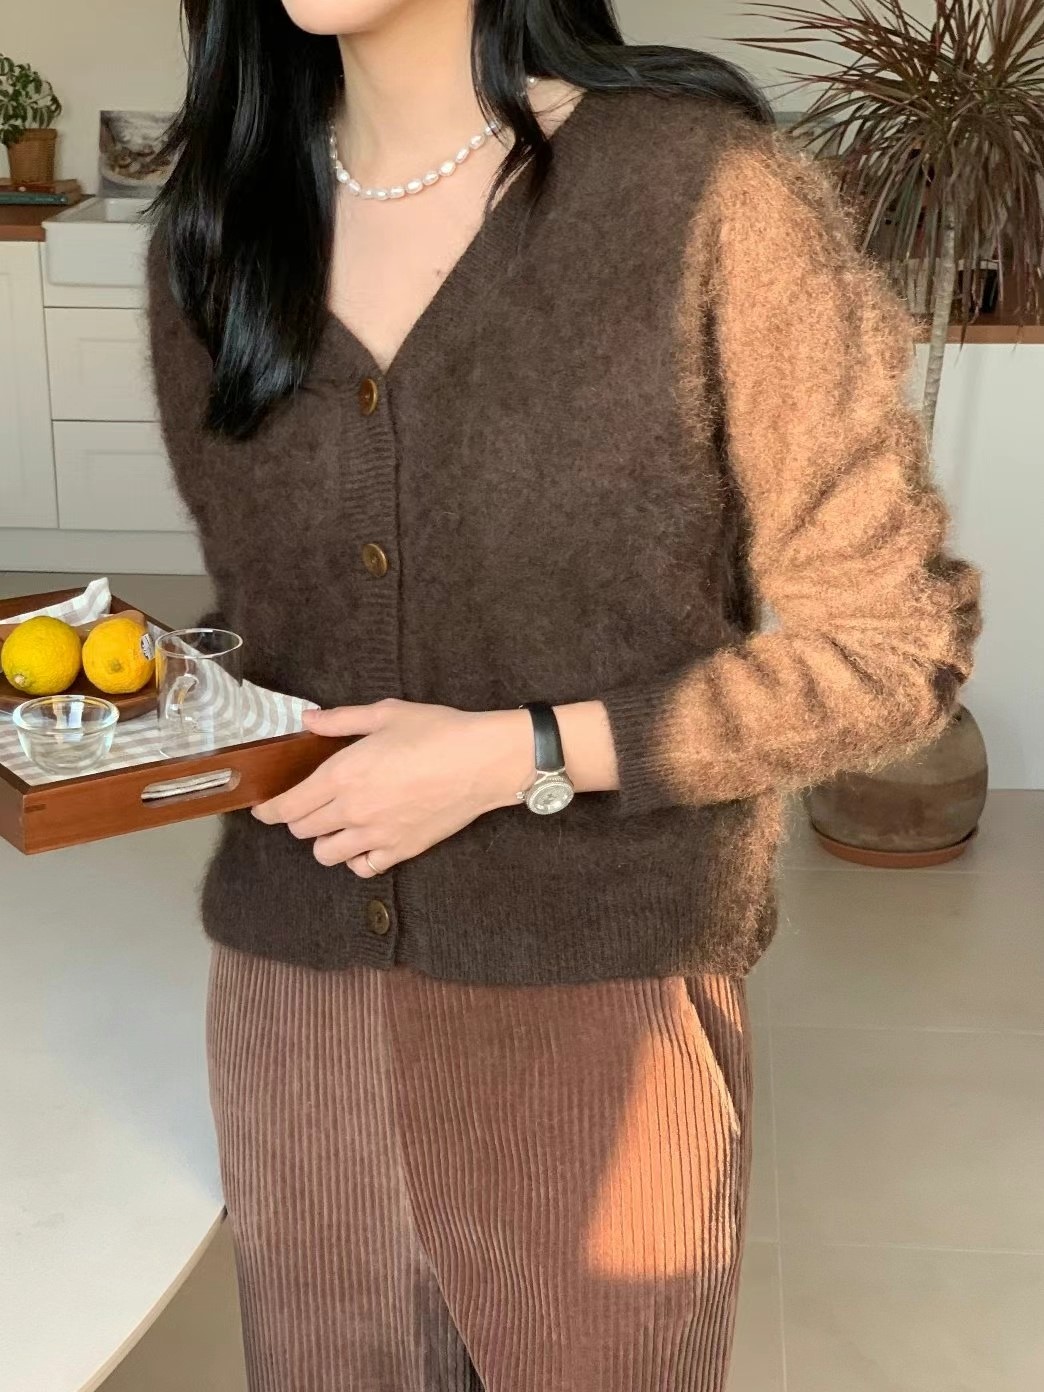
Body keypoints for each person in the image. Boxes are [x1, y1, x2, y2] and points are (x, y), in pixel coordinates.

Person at [147, 1, 981, 1388]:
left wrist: (517, 754)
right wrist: (136, 708)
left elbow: (894, 645)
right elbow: (284, 627)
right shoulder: (224, 221)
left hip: (600, 1013)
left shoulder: (704, 194)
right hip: (295, 1007)